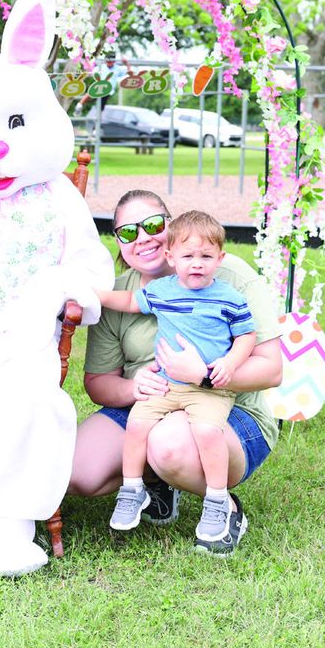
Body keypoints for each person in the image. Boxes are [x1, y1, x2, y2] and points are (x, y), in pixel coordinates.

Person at [70, 190, 282, 556]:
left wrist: (203, 375)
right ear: (118, 241)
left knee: (168, 444)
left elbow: (272, 369)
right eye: (127, 232)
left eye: (152, 225)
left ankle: (224, 508)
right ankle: (155, 483)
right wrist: (133, 388)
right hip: (153, 400)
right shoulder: (121, 294)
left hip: (227, 408)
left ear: (171, 226)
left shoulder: (228, 278)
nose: (143, 238)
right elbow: (98, 383)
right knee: (79, 472)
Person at [93, 210, 256, 544]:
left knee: (208, 431)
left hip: (208, 390)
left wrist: (230, 362)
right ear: (171, 257)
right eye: (188, 256)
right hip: (167, 385)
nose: (196, 263)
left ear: (220, 258)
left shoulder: (229, 297)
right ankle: (132, 489)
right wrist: (92, 295)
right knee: (137, 424)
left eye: (206, 256)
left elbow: (246, 336)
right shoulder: (163, 291)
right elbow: (128, 302)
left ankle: (216, 500)